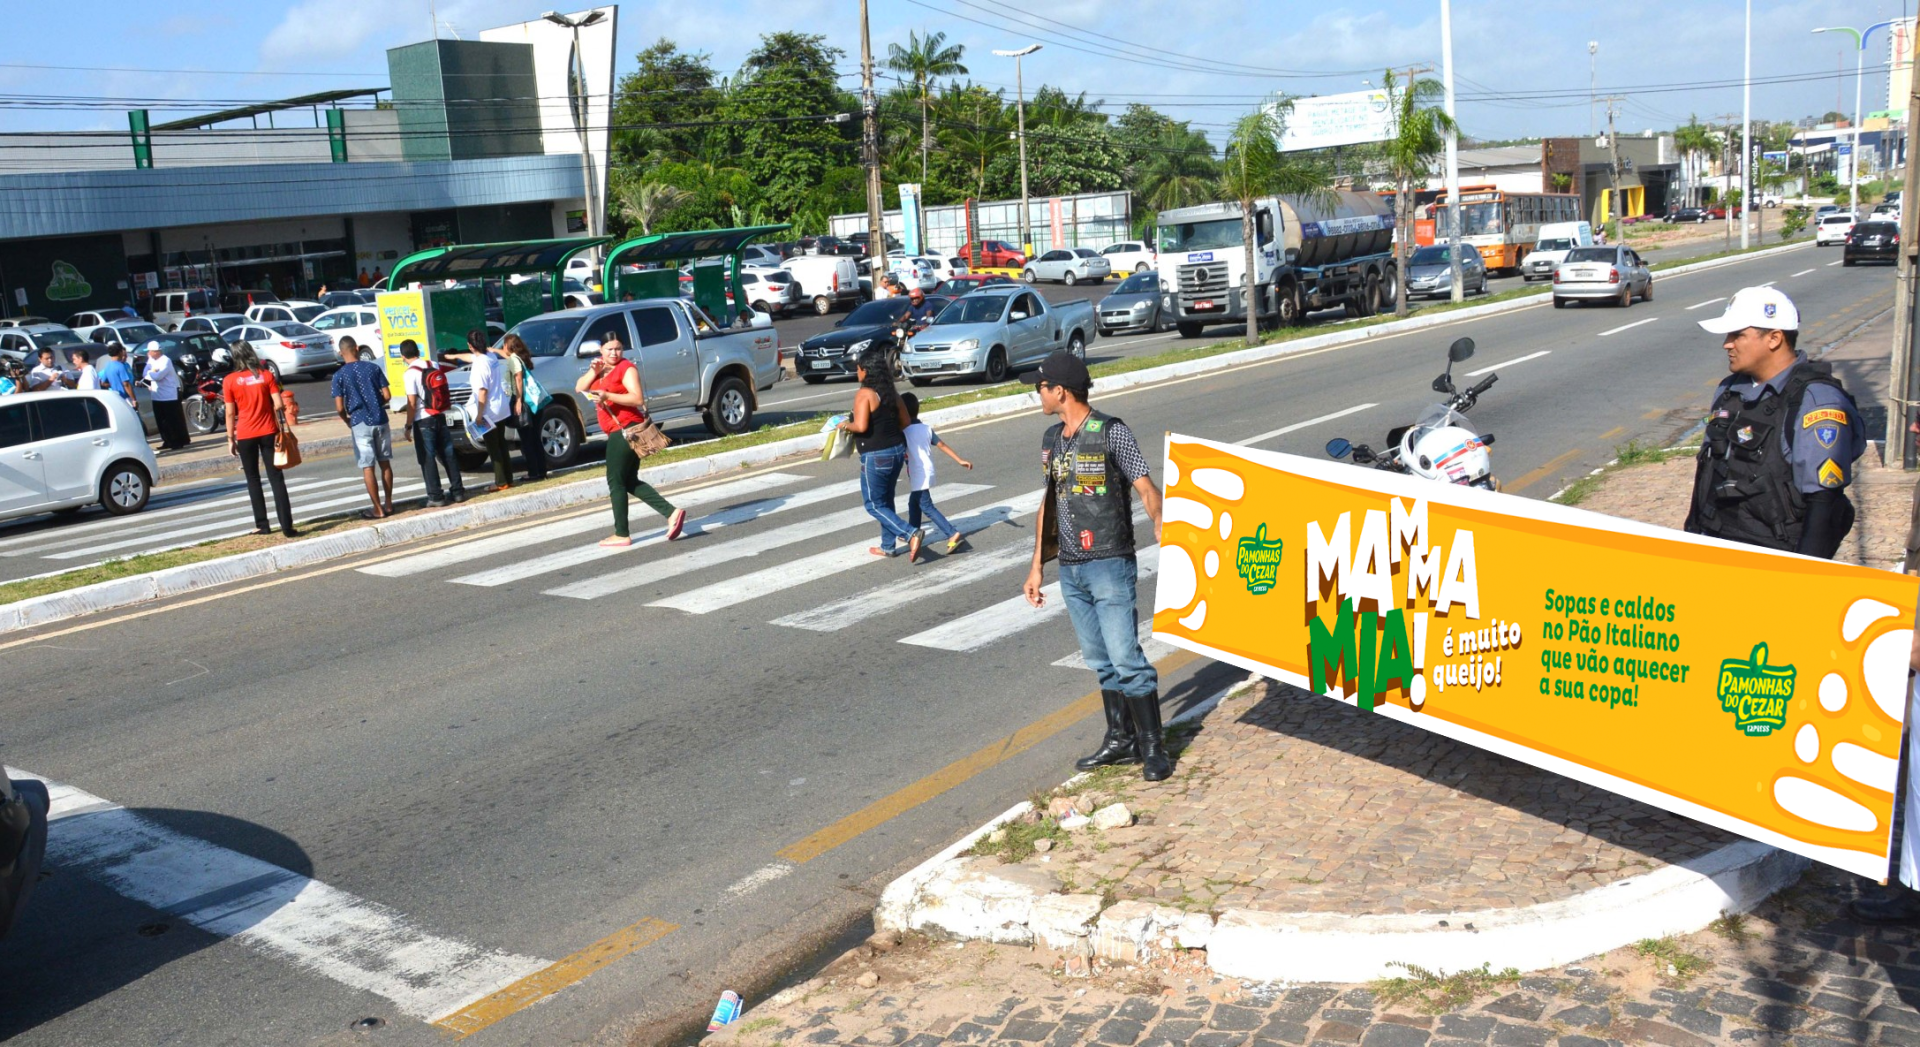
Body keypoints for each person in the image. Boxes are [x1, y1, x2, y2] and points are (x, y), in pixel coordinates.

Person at [1020, 349, 1168, 781]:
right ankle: (1120, 739)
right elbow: (1050, 502)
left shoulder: (1111, 432)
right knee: (1099, 659)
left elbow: (1146, 485)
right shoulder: (1052, 439)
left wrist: (1159, 520)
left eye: (1040, 388)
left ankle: (1154, 747)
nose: (1038, 395)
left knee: (1126, 657)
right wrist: (1037, 567)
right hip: (1071, 567)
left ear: (1059, 391)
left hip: (1109, 562)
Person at [1685, 286, 1865, 559]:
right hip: (1715, 550)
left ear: (1774, 338)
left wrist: (1802, 579)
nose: (1727, 344)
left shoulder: (1815, 401)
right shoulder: (1729, 390)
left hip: (1775, 560)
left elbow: (1823, 503)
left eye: (1737, 335)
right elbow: (1707, 474)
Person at [577, 333, 686, 547]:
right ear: (601, 350)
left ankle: (621, 533)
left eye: (618, 348)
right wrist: (593, 371)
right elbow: (579, 387)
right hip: (619, 431)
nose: (614, 353)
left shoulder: (626, 368)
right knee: (629, 481)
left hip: (625, 430)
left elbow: (637, 398)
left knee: (615, 481)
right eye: (609, 349)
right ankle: (672, 513)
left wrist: (608, 396)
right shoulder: (600, 369)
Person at [838, 346, 921, 559]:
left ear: (866, 370)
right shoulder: (891, 393)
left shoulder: (864, 394)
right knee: (886, 499)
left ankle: (910, 533)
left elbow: (862, 426)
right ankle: (888, 546)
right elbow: (905, 421)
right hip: (896, 451)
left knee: (873, 504)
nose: (857, 373)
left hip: (876, 455)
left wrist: (845, 425)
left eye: (858, 369)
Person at [222, 342, 298, 537]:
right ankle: (286, 525)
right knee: (276, 477)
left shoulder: (230, 380)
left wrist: (231, 438)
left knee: (253, 479)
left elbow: (230, 413)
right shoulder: (266, 375)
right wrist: (266, 411)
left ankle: (262, 524)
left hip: (246, 433)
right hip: (268, 431)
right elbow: (279, 404)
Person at [901, 391, 973, 554]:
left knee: (926, 506)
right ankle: (913, 533)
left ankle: (952, 533)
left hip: (919, 473)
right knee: (914, 503)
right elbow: (942, 444)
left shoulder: (904, 431)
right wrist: (959, 459)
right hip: (927, 470)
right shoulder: (925, 428)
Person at [330, 338, 395, 518]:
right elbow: (387, 395)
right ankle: (388, 504)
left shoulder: (339, 375)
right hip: (380, 419)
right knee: (385, 463)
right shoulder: (373, 368)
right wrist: (376, 404)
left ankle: (377, 509)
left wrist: (346, 420)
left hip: (359, 422)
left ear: (341, 352)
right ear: (357, 349)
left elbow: (339, 407)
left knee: (368, 466)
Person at [399, 340, 466, 506]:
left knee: (427, 458)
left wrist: (408, 425)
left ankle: (436, 496)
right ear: (417, 351)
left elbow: (412, 403)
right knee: (448, 454)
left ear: (403, 356)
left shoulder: (409, 373)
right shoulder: (433, 363)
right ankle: (458, 492)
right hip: (440, 414)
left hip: (423, 419)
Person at [460, 329, 515, 490]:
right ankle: (508, 478)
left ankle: (501, 482)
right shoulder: (490, 357)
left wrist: (479, 414)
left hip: (489, 410)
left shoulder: (479, 365)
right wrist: (454, 356)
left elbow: (482, 392)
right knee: (501, 444)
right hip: (501, 406)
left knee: (493, 447)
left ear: (470, 346)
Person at [502, 333, 549, 483]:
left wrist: (518, 400)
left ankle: (533, 472)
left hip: (524, 403)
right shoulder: (520, 358)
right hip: (534, 404)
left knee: (526, 440)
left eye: (503, 345)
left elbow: (518, 377)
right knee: (535, 438)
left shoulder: (513, 360)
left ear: (508, 347)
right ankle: (541, 471)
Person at [142, 341, 190, 450]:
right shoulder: (151, 360)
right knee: (161, 421)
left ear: (156, 352)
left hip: (169, 395)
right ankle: (167, 441)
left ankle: (177, 442)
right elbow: (145, 374)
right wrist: (151, 372)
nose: (148, 353)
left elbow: (159, 376)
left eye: (150, 351)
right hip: (156, 395)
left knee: (172, 420)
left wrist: (150, 373)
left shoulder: (165, 360)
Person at [98, 344, 137, 409]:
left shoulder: (108, 365)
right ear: (119, 352)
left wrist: (114, 384)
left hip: (115, 397)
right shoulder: (120, 366)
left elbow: (103, 382)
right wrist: (134, 399)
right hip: (125, 398)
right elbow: (126, 384)